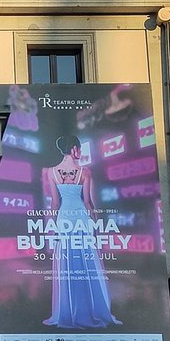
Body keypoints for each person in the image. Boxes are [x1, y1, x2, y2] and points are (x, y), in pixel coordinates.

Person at [41, 135, 121, 329]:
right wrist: (94, 224)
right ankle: (90, 310)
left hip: (64, 218)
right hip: (81, 218)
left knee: (67, 264)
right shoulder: (84, 172)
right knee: (86, 264)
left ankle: (68, 311)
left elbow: (54, 203)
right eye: (79, 148)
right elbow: (88, 202)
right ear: (75, 148)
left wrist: (51, 226)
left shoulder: (51, 172)